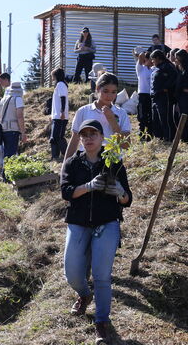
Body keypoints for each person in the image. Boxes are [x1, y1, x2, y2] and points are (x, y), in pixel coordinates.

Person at [61, 119, 132, 344]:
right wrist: (89, 186)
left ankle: (101, 322)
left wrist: (120, 192)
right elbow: (66, 192)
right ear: (80, 139)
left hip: (106, 223)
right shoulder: (72, 163)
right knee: (71, 271)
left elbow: (127, 199)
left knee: (102, 275)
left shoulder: (113, 162)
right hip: (79, 222)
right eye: (84, 135)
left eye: (93, 134)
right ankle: (84, 293)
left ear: (103, 138)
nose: (88, 138)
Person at [64, 73, 131, 161]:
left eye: (113, 92)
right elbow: (74, 140)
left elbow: (126, 145)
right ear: (97, 89)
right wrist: (65, 167)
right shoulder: (83, 111)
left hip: (111, 162)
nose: (110, 96)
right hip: (86, 162)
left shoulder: (121, 113)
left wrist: (112, 121)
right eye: (105, 91)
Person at [150, 50, 178, 141]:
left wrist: (166, 88)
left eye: (153, 59)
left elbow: (174, 78)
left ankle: (169, 138)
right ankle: (160, 137)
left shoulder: (168, 66)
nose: (152, 61)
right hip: (156, 96)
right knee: (156, 118)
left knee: (165, 118)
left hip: (164, 96)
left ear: (158, 58)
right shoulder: (157, 67)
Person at [0, 81, 26, 159]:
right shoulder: (18, 99)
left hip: (3, 129)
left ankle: (4, 170)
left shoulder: (3, 100)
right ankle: (8, 170)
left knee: (6, 152)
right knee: (11, 154)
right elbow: (20, 116)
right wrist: (23, 132)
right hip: (13, 129)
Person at [50, 68, 69, 160]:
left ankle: (66, 155)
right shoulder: (59, 85)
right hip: (56, 115)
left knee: (58, 137)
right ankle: (55, 157)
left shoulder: (61, 84)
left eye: (53, 75)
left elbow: (63, 98)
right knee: (54, 138)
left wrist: (62, 112)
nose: (52, 77)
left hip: (60, 116)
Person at [135, 51, 153, 137]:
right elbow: (141, 56)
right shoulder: (141, 68)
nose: (152, 61)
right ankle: (141, 132)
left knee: (150, 115)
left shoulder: (154, 69)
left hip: (151, 95)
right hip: (142, 95)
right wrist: (142, 51)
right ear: (146, 59)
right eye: (150, 59)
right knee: (142, 115)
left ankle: (150, 133)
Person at [174, 49, 188, 140]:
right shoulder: (179, 68)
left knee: (185, 117)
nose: (175, 60)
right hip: (180, 96)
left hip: (185, 96)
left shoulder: (186, 69)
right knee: (179, 117)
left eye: (177, 58)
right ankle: (183, 137)